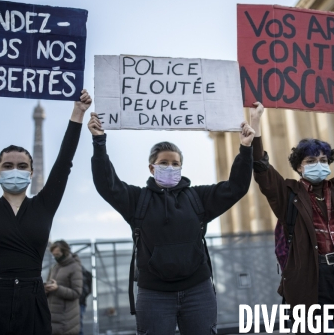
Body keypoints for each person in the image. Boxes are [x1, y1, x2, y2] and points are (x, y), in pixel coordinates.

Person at [0, 79, 91, 335]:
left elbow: (64, 161)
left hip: (30, 302)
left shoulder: (44, 205)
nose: (15, 171)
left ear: (32, 173)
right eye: (8, 166)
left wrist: (77, 113)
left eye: (22, 166)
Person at [88, 112, 255, 335]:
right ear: (151, 168)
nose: (170, 167)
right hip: (154, 294)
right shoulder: (137, 200)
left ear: (181, 167)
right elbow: (107, 185)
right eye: (163, 163)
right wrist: (99, 141)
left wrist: (245, 148)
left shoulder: (198, 199)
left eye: (175, 163)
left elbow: (236, 187)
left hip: (198, 291)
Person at [250, 99, 334, 333]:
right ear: (299, 167)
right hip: (312, 279)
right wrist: (256, 121)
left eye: (323, 160)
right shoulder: (289, 196)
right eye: (311, 161)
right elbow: (261, 168)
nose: (319, 164)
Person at [46, 241, 83, 335]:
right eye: (54, 255)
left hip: (66, 319)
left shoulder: (74, 267)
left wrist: (57, 288)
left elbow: (77, 293)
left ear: (65, 252)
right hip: (53, 317)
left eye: (57, 254)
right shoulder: (55, 267)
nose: (56, 257)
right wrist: (46, 289)